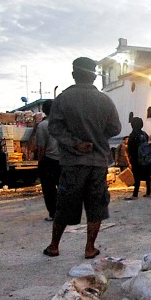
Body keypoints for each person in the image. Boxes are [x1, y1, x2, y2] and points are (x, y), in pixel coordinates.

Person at [43, 57, 122, 259]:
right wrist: (96, 134)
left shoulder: (63, 99)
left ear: (73, 75)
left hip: (73, 162)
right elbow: (115, 128)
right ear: (94, 76)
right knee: (96, 205)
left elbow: (54, 128)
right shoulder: (105, 100)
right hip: (97, 162)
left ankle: (54, 246)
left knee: (65, 204)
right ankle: (89, 248)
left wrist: (75, 143)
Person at [33, 99, 61, 222]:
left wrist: (40, 162)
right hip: (64, 160)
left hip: (49, 160)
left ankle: (53, 213)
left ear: (44, 111)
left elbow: (41, 148)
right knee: (64, 188)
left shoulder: (43, 125)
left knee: (49, 189)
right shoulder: (63, 124)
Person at [125, 117, 151, 199]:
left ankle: (135, 194)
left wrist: (130, 157)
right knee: (147, 175)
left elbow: (131, 147)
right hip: (145, 157)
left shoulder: (133, 134)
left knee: (136, 175)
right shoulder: (144, 134)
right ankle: (148, 192)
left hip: (136, 157)